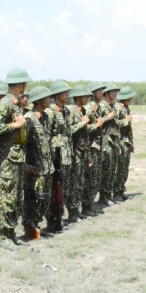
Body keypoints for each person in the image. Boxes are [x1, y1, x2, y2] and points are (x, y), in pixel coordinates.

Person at [0, 67, 32, 249]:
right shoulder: (6, 103)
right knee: (7, 196)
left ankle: (11, 232)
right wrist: (15, 125)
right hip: (7, 159)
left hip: (16, 158)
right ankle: (4, 236)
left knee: (15, 197)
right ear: (21, 84)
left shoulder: (15, 104)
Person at [22, 86, 53, 240]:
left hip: (46, 167)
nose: (51, 100)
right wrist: (24, 165)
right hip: (34, 169)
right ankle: (30, 227)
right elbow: (20, 144)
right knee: (34, 198)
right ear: (40, 100)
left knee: (44, 198)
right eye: (48, 98)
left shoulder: (45, 117)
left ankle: (37, 225)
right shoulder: (29, 118)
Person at [44, 81, 73, 232]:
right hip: (55, 155)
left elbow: (68, 134)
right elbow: (47, 135)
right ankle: (51, 220)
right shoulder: (50, 112)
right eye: (64, 93)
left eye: (68, 93)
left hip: (66, 155)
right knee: (54, 189)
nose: (67, 95)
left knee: (63, 189)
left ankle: (59, 217)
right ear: (56, 95)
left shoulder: (66, 111)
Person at [66, 84, 92, 223]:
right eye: (85, 96)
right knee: (74, 184)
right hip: (74, 152)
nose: (87, 98)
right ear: (78, 98)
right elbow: (67, 131)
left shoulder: (82, 112)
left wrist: (87, 155)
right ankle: (72, 213)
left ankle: (77, 210)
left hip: (82, 153)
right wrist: (81, 124)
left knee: (80, 182)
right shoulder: (72, 112)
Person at [85, 82, 107, 214]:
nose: (102, 94)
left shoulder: (98, 108)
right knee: (91, 178)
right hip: (91, 147)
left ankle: (90, 205)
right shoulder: (89, 109)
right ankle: (86, 206)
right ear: (93, 93)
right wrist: (97, 125)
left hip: (98, 147)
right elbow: (84, 128)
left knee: (96, 178)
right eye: (99, 91)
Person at [99, 83, 121, 205]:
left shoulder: (112, 107)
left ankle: (108, 195)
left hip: (112, 142)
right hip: (104, 142)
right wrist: (108, 117)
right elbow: (99, 123)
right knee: (106, 170)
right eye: (113, 92)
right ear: (106, 94)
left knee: (112, 170)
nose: (115, 94)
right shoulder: (102, 107)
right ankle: (103, 197)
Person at [114, 86, 136, 201]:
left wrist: (131, 143)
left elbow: (129, 129)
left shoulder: (126, 108)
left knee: (125, 168)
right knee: (120, 168)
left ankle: (121, 190)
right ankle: (116, 192)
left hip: (126, 142)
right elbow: (114, 124)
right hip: (120, 142)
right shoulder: (117, 108)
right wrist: (125, 120)